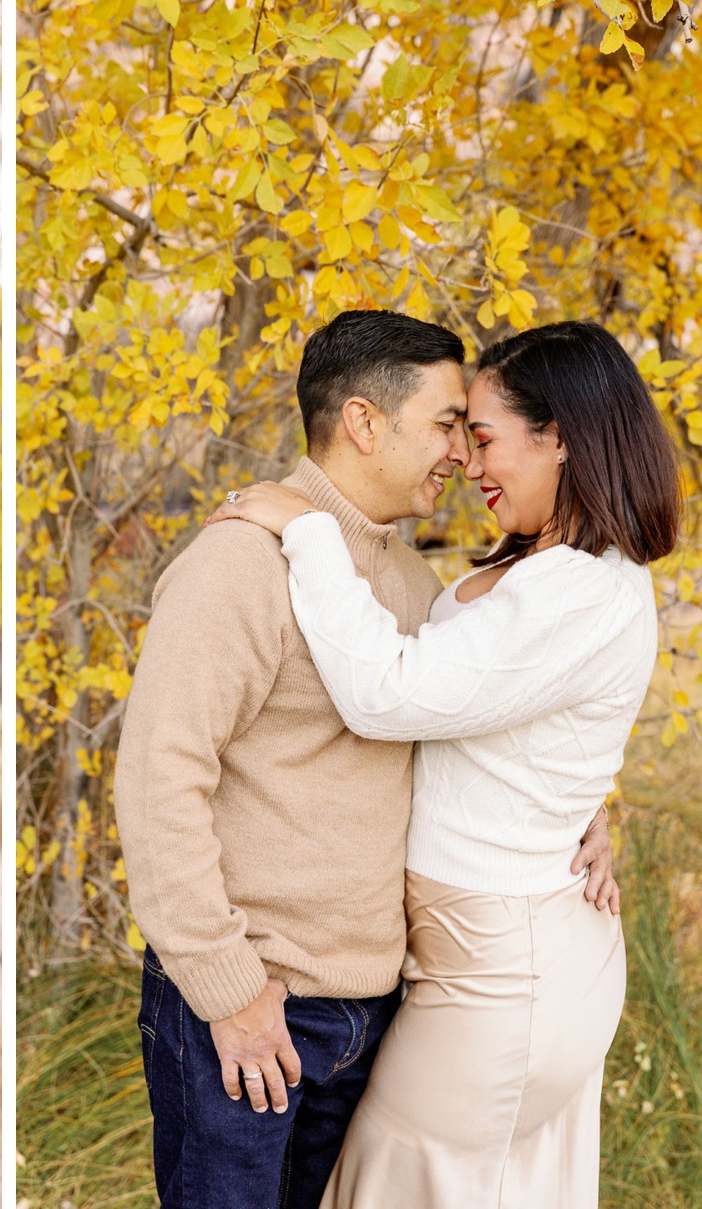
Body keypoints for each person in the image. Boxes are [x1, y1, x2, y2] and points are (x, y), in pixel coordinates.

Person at [113, 311, 617, 1209]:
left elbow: (482, 720)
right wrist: (229, 989)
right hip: (255, 1000)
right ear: (364, 422)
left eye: (471, 430)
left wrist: (582, 802)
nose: (463, 454)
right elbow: (159, 781)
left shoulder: (416, 587)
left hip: (376, 1008)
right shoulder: (239, 563)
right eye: (447, 422)